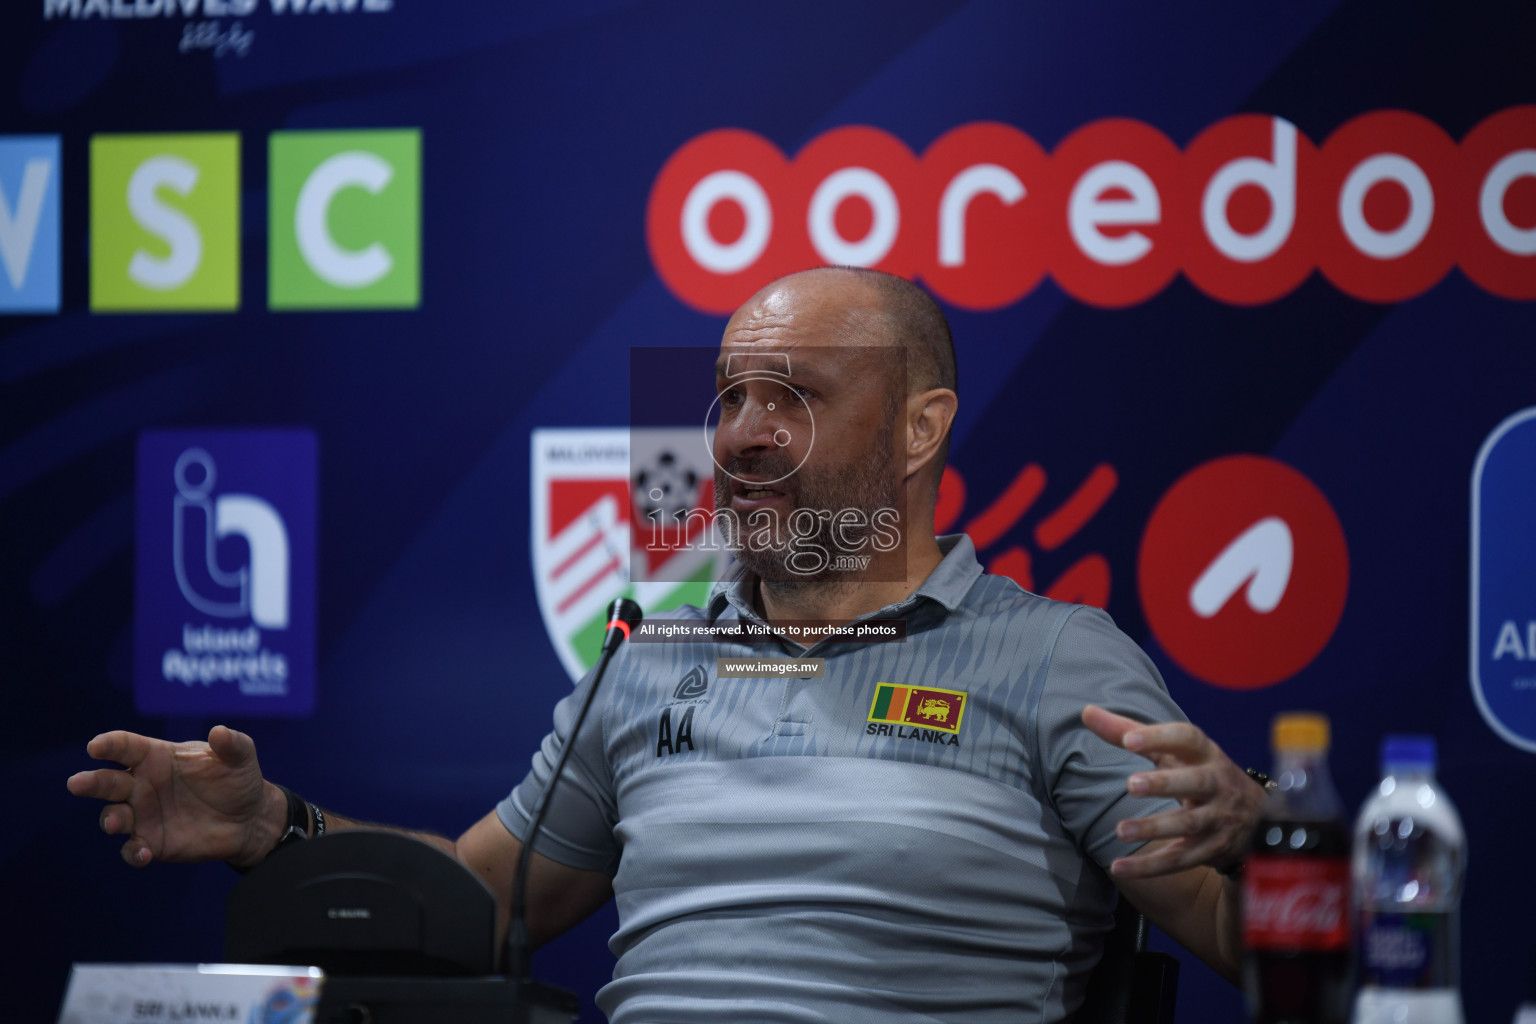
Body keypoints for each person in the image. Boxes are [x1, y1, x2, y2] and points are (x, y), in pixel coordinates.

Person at [68, 267, 1266, 1023]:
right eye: (730, 397)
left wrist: (1269, 846)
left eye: (792, 396)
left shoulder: (1055, 657)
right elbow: (485, 902)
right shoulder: (649, 659)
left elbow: (1256, 951)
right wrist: (281, 829)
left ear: (918, 428)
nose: (741, 435)